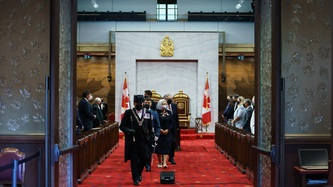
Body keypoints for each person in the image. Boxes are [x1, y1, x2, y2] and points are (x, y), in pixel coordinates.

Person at [119, 95, 154, 186]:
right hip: (133, 140)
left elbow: (150, 128)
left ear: (143, 103)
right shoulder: (129, 113)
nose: (139, 104)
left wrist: (152, 139)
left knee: (145, 157)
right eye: (137, 103)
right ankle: (135, 178)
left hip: (144, 139)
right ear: (134, 103)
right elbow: (122, 126)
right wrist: (128, 131)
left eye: (141, 103)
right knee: (134, 160)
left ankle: (138, 172)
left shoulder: (147, 113)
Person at [154, 99, 173, 168]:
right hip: (159, 133)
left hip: (167, 133)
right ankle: (160, 162)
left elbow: (172, 122)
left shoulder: (169, 112)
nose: (165, 105)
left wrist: (168, 129)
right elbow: (155, 122)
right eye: (163, 103)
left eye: (165, 103)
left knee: (166, 148)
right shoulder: (157, 113)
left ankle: (165, 162)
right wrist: (160, 130)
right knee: (159, 148)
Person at [143, 97, 161, 172]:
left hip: (150, 134)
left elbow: (157, 125)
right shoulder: (140, 112)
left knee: (149, 151)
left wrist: (157, 135)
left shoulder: (154, 113)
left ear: (151, 104)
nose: (147, 104)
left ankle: (148, 165)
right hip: (142, 134)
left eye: (148, 103)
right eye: (145, 102)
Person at [163, 94, 179, 165]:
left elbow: (176, 116)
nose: (171, 99)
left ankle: (171, 157)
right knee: (165, 143)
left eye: (171, 98)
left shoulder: (173, 105)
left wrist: (177, 126)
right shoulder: (162, 106)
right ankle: (163, 159)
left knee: (173, 142)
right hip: (165, 127)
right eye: (169, 98)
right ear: (165, 99)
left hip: (173, 127)